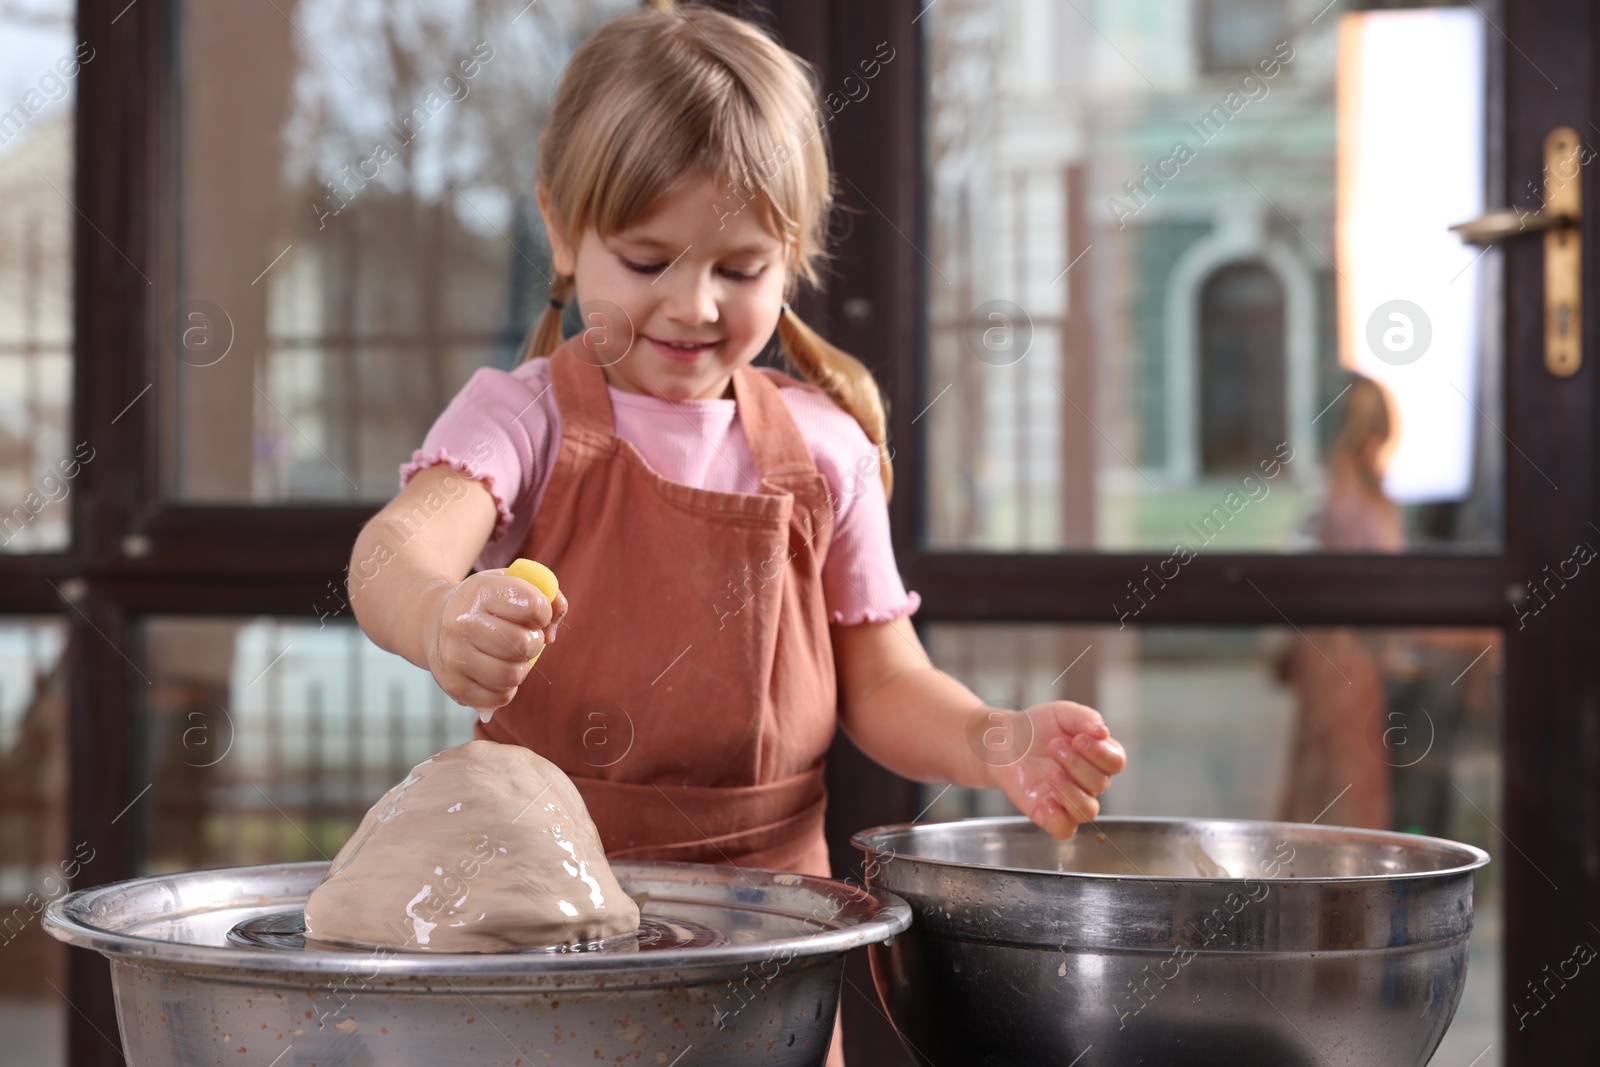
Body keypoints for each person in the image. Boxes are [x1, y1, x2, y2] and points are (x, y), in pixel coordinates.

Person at [350, 6, 1126, 1060]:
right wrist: (441, 614)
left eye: (740, 267)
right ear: (561, 229)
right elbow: (392, 552)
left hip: (771, 940)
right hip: (535, 944)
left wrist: (992, 736)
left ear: (794, 255)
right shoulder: (521, 418)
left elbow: (883, 679)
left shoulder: (823, 446)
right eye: (648, 257)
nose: (692, 304)